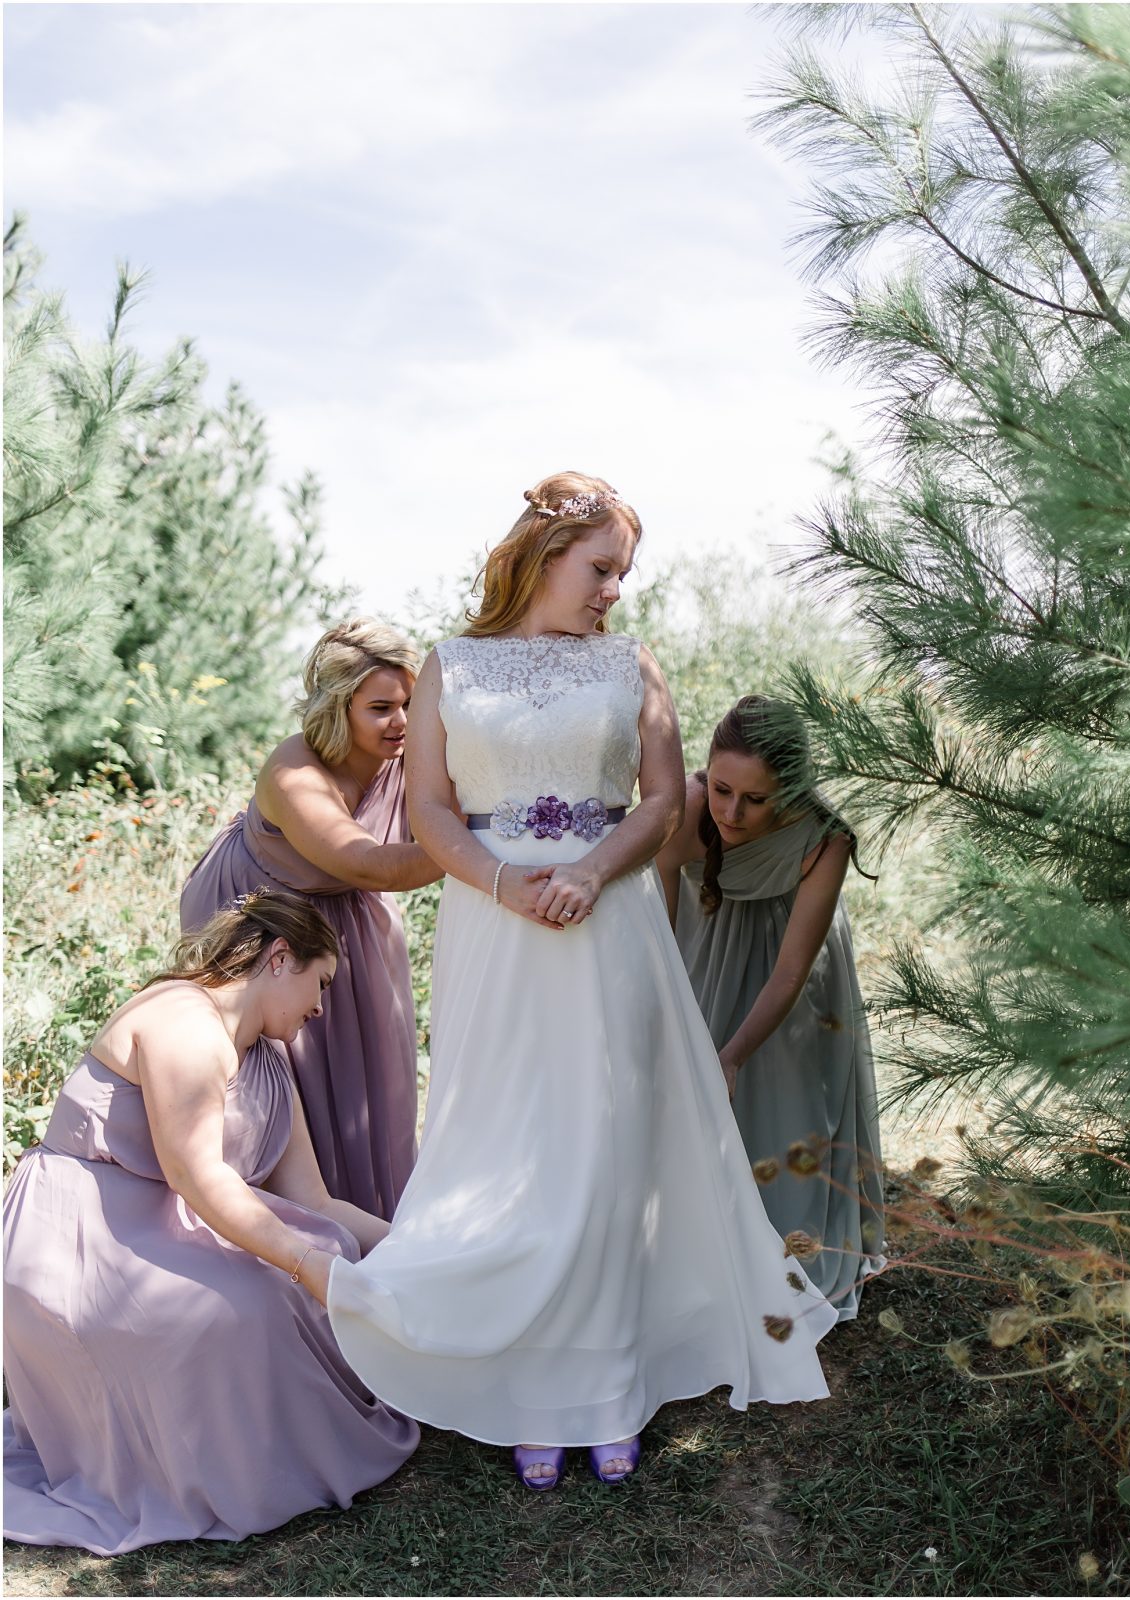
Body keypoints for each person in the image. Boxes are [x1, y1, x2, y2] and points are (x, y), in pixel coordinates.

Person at [326, 472, 838, 1492]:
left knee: (604, 1142)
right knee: (503, 1131)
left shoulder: (630, 666)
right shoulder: (447, 666)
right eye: (600, 567)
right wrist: (503, 881)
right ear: (542, 555)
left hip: (608, 923)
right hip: (493, 924)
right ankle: (516, 1374)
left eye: (622, 573)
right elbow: (427, 807)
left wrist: (592, 874)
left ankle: (602, 1387)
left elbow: (661, 803)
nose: (613, 589)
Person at [3, 890, 419, 1555]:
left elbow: (316, 1201)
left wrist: (416, 1255)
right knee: (251, 1300)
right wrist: (306, 1267)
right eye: (321, 983)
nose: (321, 1006)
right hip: (83, 1233)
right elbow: (198, 1178)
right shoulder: (181, 1022)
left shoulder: (264, 1060)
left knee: (328, 1243)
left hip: (163, 1227)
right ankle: (231, 1475)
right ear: (281, 958)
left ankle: (283, 1453)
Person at [181, 618, 441, 1219]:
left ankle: (373, 1239)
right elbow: (370, 864)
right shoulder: (293, 771)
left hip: (354, 926)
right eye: (381, 707)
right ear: (336, 706)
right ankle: (280, 1237)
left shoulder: (409, 755)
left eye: (409, 703)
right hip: (265, 922)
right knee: (283, 1080)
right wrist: (483, 853)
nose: (402, 721)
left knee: (369, 1086)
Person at [656, 695, 885, 1321]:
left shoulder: (824, 839)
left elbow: (789, 975)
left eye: (756, 799)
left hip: (792, 980)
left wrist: (731, 1057)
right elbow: (660, 927)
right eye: (723, 789)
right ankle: (701, 1258)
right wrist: (673, 1020)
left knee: (783, 1102)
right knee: (693, 1111)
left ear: (790, 787)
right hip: (704, 950)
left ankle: (786, 1256)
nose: (732, 812)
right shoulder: (687, 805)